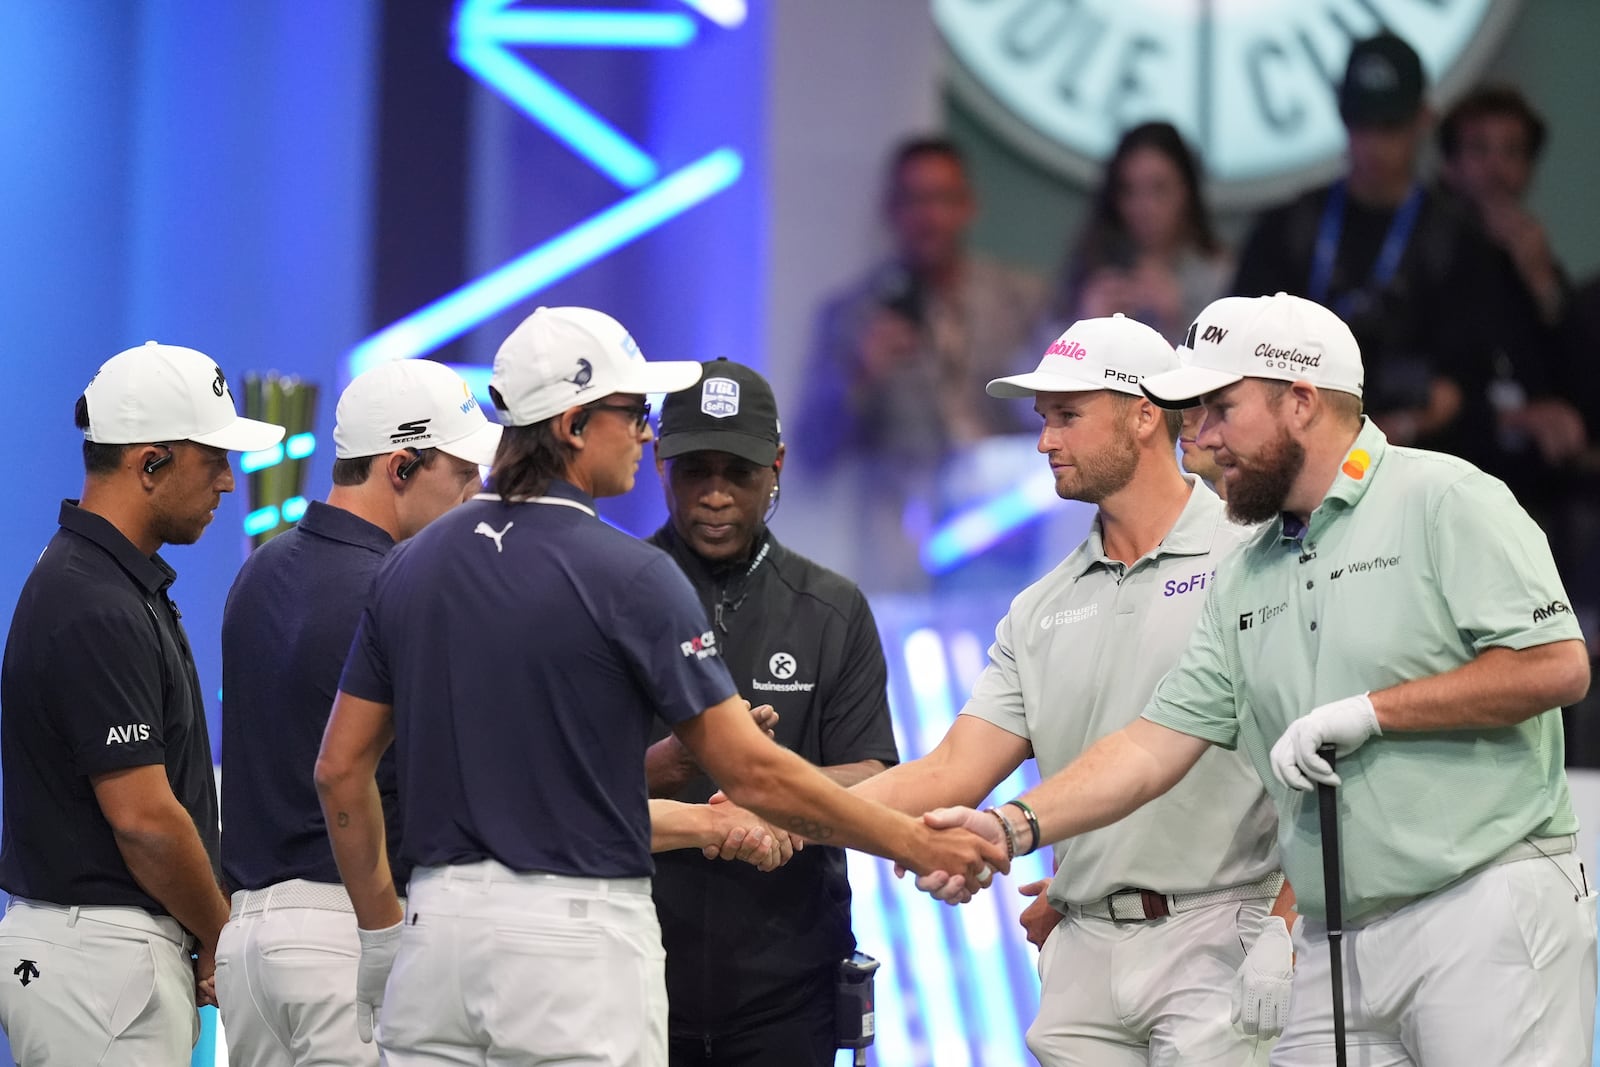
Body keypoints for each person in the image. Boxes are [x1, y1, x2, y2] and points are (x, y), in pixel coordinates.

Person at [313, 306, 1004, 1066]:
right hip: (570, 945)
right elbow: (751, 770)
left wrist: (382, 937)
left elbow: (340, 770)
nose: (645, 432)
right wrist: (909, 837)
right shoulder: (630, 574)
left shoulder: (411, 565)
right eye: (633, 413)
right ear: (575, 424)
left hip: (433, 939)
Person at [916, 292, 1595, 1065]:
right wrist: (1011, 825)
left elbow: (1556, 664)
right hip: (1334, 936)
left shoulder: (1444, 496)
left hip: (1485, 901)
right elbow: (1148, 747)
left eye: (1218, 409)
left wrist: (1376, 711)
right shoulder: (1248, 566)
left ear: (1300, 401)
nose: (1198, 437)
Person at [854, 313, 1291, 1065]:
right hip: (1079, 945)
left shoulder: (1255, 558)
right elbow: (948, 772)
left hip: (1224, 934)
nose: (1044, 440)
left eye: (1068, 415)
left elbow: (1318, 763)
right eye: (1043, 419)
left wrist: (1284, 927)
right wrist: (789, 809)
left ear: (1147, 414)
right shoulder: (1038, 608)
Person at [0, 341, 284, 1064]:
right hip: (98, 962)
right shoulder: (92, 599)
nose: (229, 480)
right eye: (213, 457)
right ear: (151, 462)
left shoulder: (104, 582)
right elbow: (147, 821)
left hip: (105, 961)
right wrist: (225, 934)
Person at [215, 359, 503, 1066]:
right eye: (465, 474)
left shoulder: (256, 571)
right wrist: (383, 932)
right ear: (400, 467)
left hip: (249, 947)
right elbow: (461, 784)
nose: (478, 494)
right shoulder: (404, 589)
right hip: (352, 930)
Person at [643, 358, 900, 1066]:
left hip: (788, 989)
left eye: (740, 471)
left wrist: (775, 794)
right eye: (696, 470)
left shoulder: (831, 607)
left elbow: (876, 770)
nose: (716, 494)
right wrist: (670, 766)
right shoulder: (613, 597)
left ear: (777, 466)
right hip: (631, 976)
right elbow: (564, 781)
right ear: (661, 466)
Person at [1231, 33, 1524, 462]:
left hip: (1419, 463)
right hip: (1296, 455)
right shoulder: (1287, 230)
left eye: (1391, 126)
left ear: (1423, 119)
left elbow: (1464, 385)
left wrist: (1378, 438)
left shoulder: (1459, 242)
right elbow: (1244, 355)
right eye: (1362, 124)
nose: (1375, 145)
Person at [801, 136, 1048, 590]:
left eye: (943, 199)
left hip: (1013, 530)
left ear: (968, 206)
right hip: (909, 549)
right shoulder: (855, 314)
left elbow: (1055, 412)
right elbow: (812, 450)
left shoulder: (1020, 301)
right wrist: (859, 375)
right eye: (915, 200)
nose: (930, 218)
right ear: (891, 210)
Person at [1055, 121, 1233, 346]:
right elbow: (1024, 369)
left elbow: (1231, 372)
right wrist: (1083, 326)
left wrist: (1175, 320)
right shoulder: (1091, 265)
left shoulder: (1219, 277)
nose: (1143, 207)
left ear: (1187, 193)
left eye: (1159, 189)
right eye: (1129, 190)